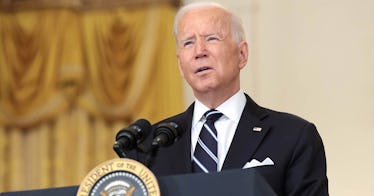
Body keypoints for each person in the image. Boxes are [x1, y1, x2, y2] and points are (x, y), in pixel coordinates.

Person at [133, 2, 329, 195]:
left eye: (211, 38)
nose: (199, 52)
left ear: (242, 54)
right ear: (180, 65)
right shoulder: (151, 145)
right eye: (188, 42)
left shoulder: (294, 136)